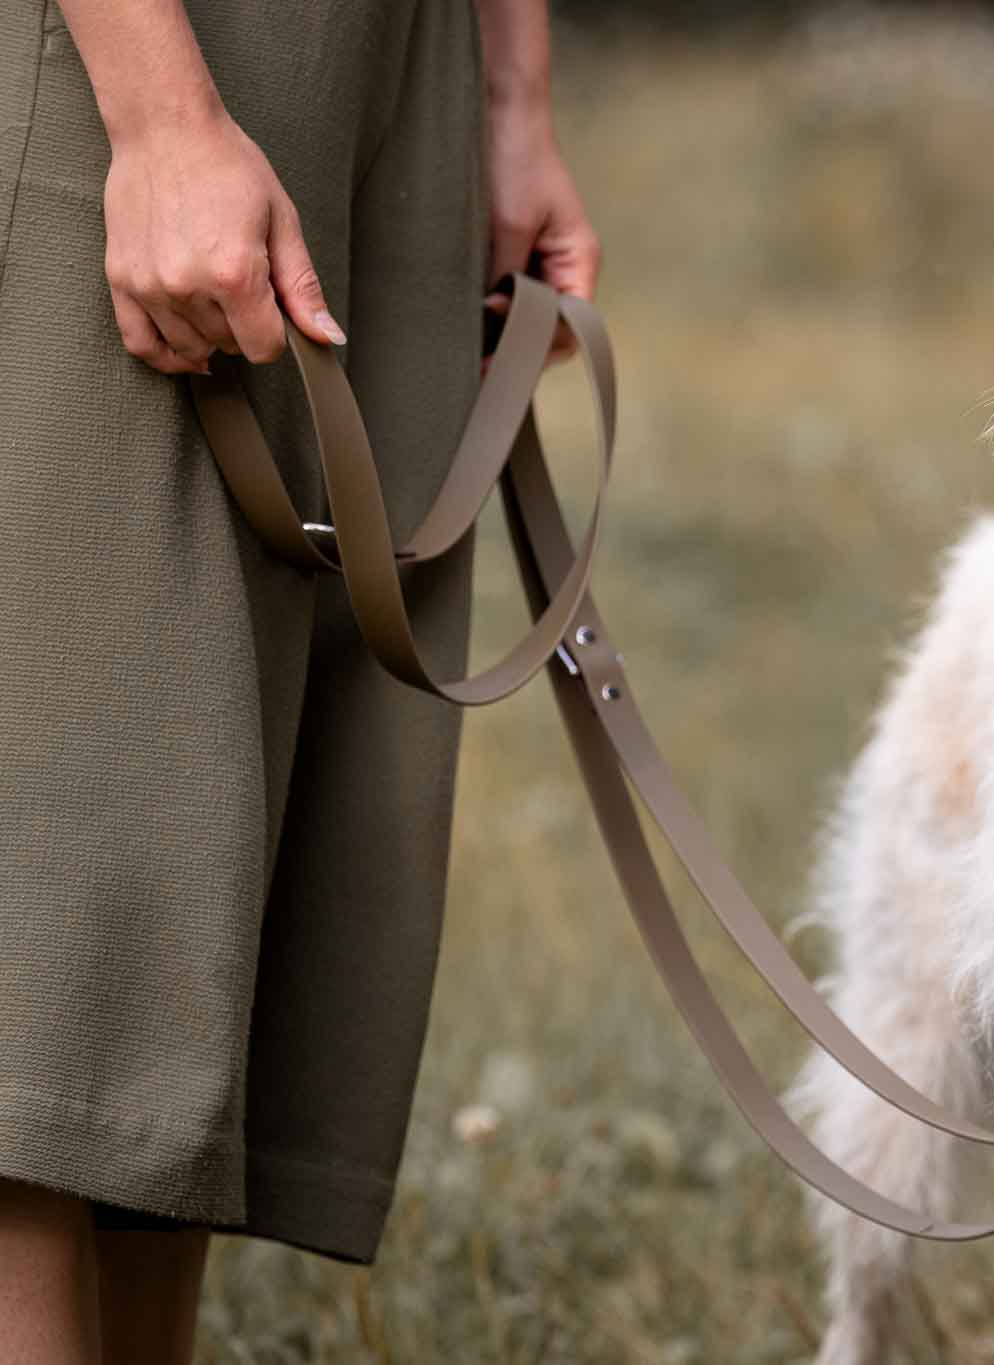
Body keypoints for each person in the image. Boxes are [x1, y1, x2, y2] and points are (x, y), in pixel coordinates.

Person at [0, 1, 599, 1360]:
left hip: (397, 66)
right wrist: (158, 113)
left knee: (202, 878)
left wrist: (511, 95)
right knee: (41, 935)